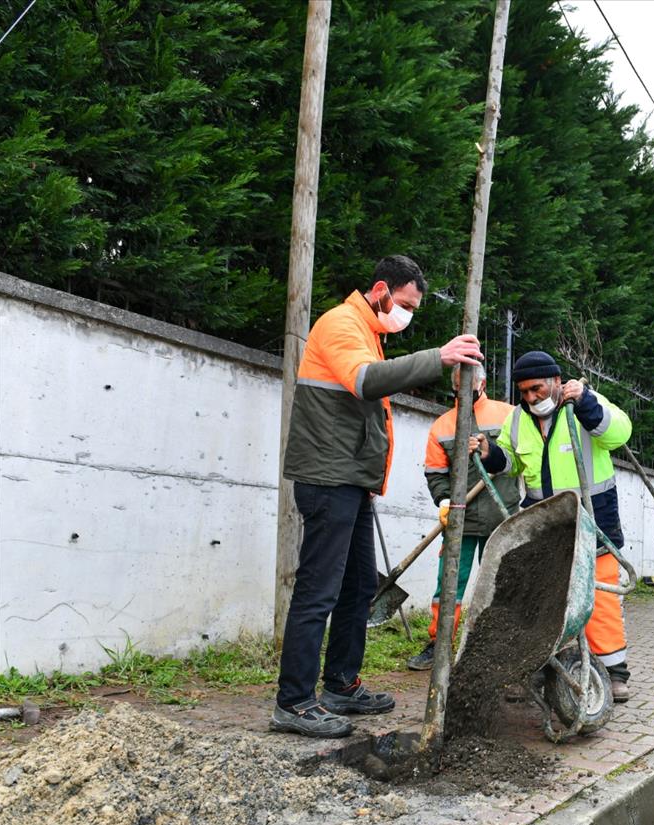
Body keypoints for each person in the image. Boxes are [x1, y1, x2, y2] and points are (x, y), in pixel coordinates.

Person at [272, 254, 482, 738]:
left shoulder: (370, 334)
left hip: (350, 480)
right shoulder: (342, 324)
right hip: (327, 479)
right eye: (404, 304)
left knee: (359, 585)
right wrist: (440, 356)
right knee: (318, 589)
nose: (405, 315)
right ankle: (293, 702)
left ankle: (341, 686)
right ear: (381, 289)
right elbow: (364, 383)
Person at [477, 350, 635, 702]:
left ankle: (614, 672)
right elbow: (511, 461)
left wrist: (587, 403)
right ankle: (544, 666)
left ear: (555, 381)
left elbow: (619, 434)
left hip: (595, 522)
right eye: (524, 391)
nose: (531, 397)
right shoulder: (517, 420)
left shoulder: (582, 403)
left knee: (600, 596)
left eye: (537, 388)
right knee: (542, 597)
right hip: (546, 524)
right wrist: (490, 453)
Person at [407, 363, 519, 670]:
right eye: (457, 387)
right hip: (461, 520)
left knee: (501, 584)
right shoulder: (443, 425)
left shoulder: (508, 415)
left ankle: (499, 645)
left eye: (467, 386)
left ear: (482, 383)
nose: (461, 392)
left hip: (503, 517)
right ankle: (438, 643)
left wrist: (492, 452)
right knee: (449, 585)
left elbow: (521, 459)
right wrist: (444, 500)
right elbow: (435, 472)